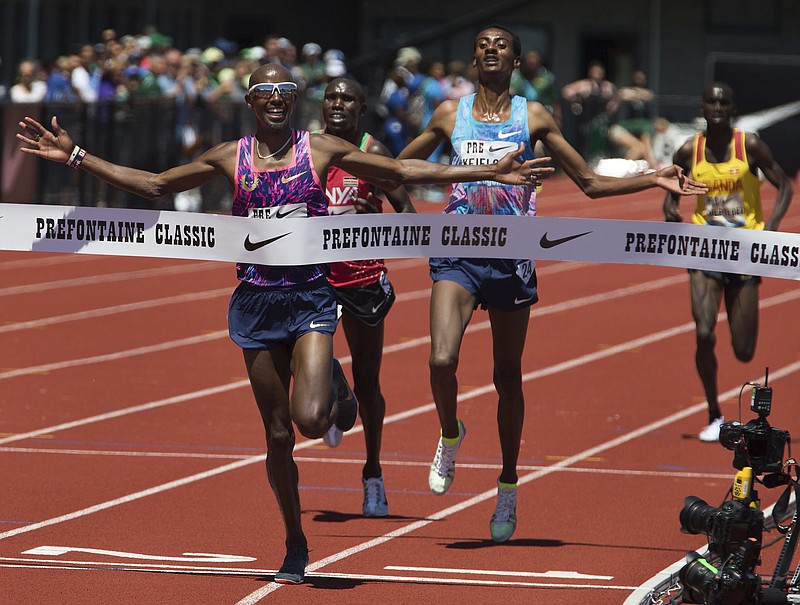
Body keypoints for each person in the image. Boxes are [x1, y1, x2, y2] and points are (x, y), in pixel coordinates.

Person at [17, 63, 548, 584]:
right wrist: (77, 156)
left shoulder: (317, 149)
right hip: (256, 305)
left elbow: (401, 173)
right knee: (277, 436)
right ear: (250, 102)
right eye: (265, 90)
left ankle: (333, 385)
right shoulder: (232, 157)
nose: (276, 97)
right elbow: (156, 184)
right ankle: (295, 541)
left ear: (293, 100)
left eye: (285, 90)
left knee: (313, 421)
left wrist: (487, 171)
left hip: (311, 300)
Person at [398, 24, 706, 544]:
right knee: (441, 361)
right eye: (482, 44)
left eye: (502, 45)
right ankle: (450, 432)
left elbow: (587, 183)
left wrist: (651, 177)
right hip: (458, 251)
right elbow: (401, 166)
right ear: (473, 59)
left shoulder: (532, 116)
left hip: (513, 257)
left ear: (517, 61)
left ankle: (508, 482)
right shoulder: (451, 115)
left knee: (507, 379)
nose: (491, 50)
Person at [662, 82, 793, 443]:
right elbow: (669, 191)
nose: (718, 107)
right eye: (711, 101)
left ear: (732, 108)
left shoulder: (748, 145)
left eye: (724, 102)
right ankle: (713, 414)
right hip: (705, 250)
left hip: (746, 252)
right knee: (704, 331)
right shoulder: (690, 149)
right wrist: (671, 209)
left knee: (743, 349)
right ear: (702, 107)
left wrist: (770, 229)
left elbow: (785, 185)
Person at [317, 76, 416, 517]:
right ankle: (333, 384)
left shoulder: (373, 154)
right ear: (322, 105)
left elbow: (410, 217)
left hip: (362, 277)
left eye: (348, 98)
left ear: (360, 108)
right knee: (307, 366)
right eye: (332, 96)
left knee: (370, 382)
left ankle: (372, 473)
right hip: (315, 276)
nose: (339, 103)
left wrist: (374, 217)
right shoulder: (307, 151)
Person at [561, 60, 617, 162]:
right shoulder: (584, 85)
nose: (598, 75)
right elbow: (566, 91)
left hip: (602, 120)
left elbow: (617, 96)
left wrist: (612, 105)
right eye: (596, 72)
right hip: (587, 119)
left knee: (603, 140)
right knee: (585, 141)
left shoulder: (607, 86)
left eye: (600, 72)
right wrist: (576, 99)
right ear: (590, 73)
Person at [607, 69, 656, 167]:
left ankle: (651, 169)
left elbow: (649, 95)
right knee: (639, 147)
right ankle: (622, 171)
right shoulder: (624, 91)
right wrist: (634, 93)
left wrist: (635, 93)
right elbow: (622, 93)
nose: (639, 80)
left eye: (641, 78)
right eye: (637, 78)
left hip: (631, 132)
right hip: (617, 130)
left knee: (642, 147)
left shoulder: (645, 124)